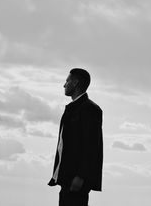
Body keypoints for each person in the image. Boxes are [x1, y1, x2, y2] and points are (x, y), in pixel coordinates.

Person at [48, 68, 103, 206]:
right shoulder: (73, 108)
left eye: (67, 81)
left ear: (76, 83)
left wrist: (81, 176)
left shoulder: (90, 109)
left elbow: (91, 146)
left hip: (76, 181)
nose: (64, 85)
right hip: (67, 178)